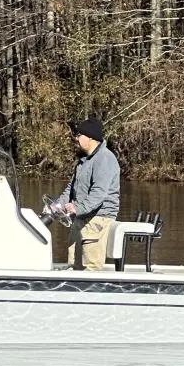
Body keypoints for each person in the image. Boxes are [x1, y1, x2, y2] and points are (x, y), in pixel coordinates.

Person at [57, 116, 119, 271]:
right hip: (81, 217)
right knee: (73, 266)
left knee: (90, 269)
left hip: (97, 219)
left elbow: (99, 194)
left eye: (79, 135)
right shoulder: (84, 161)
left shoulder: (105, 159)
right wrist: (58, 205)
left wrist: (78, 208)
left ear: (90, 137)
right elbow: (71, 189)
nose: (76, 138)